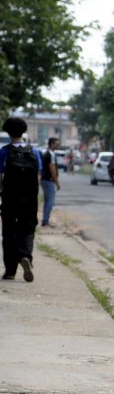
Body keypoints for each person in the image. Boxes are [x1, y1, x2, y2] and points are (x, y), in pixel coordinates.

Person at [0, 117, 42, 282]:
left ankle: (10, 270)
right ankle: (26, 256)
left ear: (8, 132)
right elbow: (37, 176)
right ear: (23, 131)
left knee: (9, 232)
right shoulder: (34, 152)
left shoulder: (4, 152)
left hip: (10, 198)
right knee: (28, 229)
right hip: (30, 199)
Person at [40, 137, 61, 227]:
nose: (58, 145)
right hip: (49, 180)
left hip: (44, 179)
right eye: (56, 143)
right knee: (50, 202)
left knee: (47, 201)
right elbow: (52, 170)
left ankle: (45, 219)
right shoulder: (51, 155)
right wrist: (57, 182)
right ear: (51, 144)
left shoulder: (46, 153)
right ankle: (45, 220)